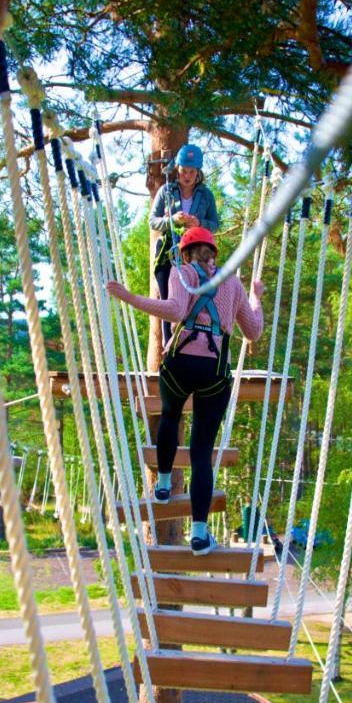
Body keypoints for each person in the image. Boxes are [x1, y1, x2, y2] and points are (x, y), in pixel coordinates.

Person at [107, 227, 263, 555]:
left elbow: (176, 311)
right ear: (214, 254)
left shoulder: (181, 272)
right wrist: (257, 297)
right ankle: (199, 534)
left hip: (179, 365)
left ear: (187, 253)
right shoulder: (232, 283)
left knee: (170, 415)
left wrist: (129, 298)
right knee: (201, 452)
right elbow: (254, 331)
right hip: (214, 374)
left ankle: (163, 484)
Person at [149, 143, 220, 345]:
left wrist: (199, 223)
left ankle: (191, 342)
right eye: (183, 171)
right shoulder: (166, 191)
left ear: (198, 172)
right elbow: (152, 221)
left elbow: (214, 224)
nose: (187, 176)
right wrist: (173, 220)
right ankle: (168, 343)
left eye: (191, 171)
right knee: (168, 298)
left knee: (195, 298)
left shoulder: (206, 195)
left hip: (196, 254)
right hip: (167, 252)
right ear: (177, 170)